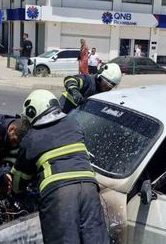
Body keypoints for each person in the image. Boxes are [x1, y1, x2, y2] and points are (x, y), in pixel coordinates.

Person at [12, 90, 110, 244]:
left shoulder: (30, 139)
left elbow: (18, 180)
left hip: (59, 194)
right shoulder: (73, 124)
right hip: (89, 188)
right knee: (95, 238)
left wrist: (17, 194)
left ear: (33, 112)